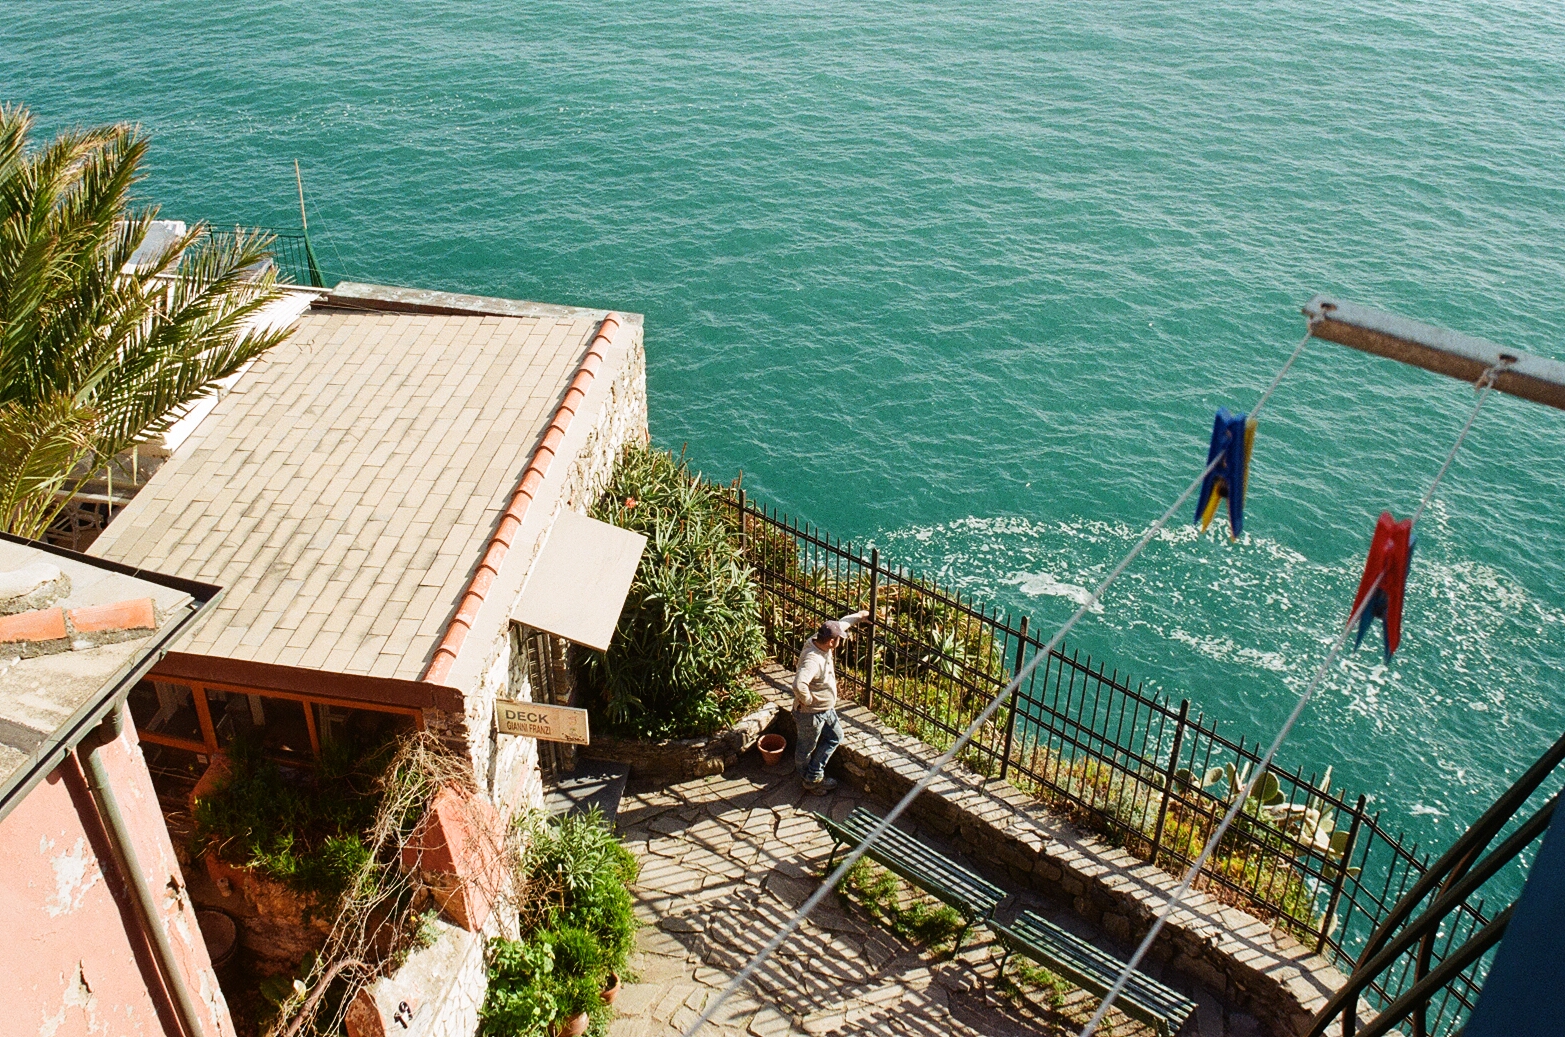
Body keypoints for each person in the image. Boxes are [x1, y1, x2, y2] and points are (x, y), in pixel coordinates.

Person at [793, 609, 871, 794]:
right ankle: (810, 780)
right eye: (839, 639)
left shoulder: (819, 640)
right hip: (810, 714)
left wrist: (860, 616)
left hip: (824, 710)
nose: (841, 641)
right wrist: (808, 699)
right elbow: (799, 684)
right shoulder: (813, 659)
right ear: (831, 642)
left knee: (835, 737)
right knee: (806, 748)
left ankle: (813, 773)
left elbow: (841, 623)